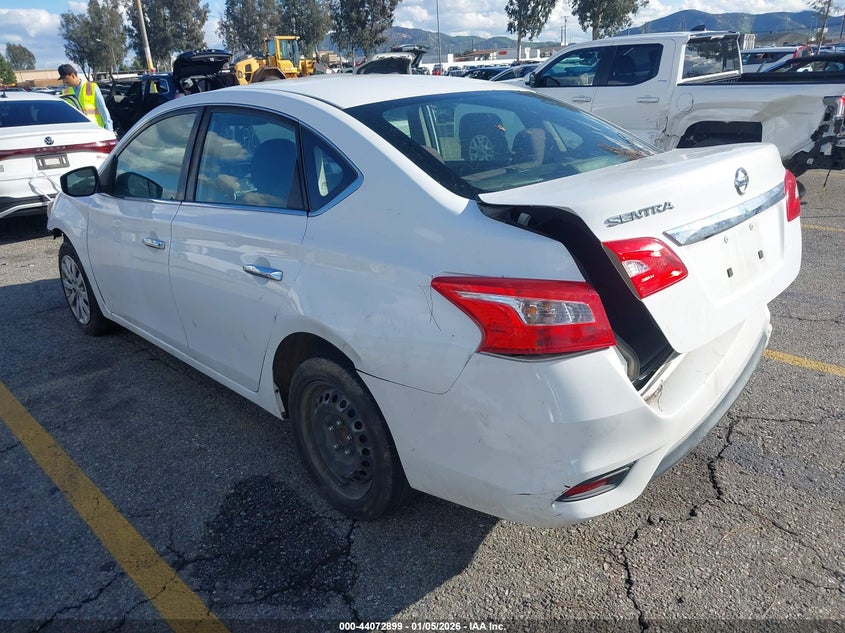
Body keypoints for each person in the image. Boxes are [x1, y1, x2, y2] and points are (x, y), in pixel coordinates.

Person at [57, 64, 113, 131]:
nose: (64, 82)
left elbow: (103, 110)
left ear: (72, 75)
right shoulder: (66, 92)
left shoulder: (91, 87)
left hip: (95, 129)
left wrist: (109, 129)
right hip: (78, 131)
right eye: (62, 80)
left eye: (65, 79)